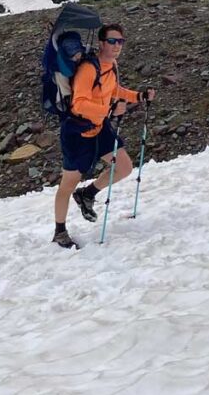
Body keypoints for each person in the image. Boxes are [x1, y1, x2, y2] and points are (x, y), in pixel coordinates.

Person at [52, 23, 156, 249]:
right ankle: (60, 231)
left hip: (99, 127)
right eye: (112, 41)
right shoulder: (89, 69)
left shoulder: (110, 65)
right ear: (101, 43)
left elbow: (113, 90)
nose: (117, 46)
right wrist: (109, 110)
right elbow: (79, 104)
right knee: (68, 183)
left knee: (125, 167)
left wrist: (138, 96)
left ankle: (87, 194)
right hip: (77, 131)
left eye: (120, 41)